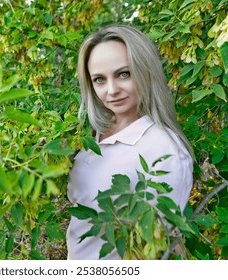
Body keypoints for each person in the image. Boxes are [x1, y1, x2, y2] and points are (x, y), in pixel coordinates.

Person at [66, 24, 194, 260]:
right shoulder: (92, 136)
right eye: (99, 79)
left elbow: (156, 243)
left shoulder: (163, 149)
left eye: (124, 74)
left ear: (146, 71)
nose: (112, 90)